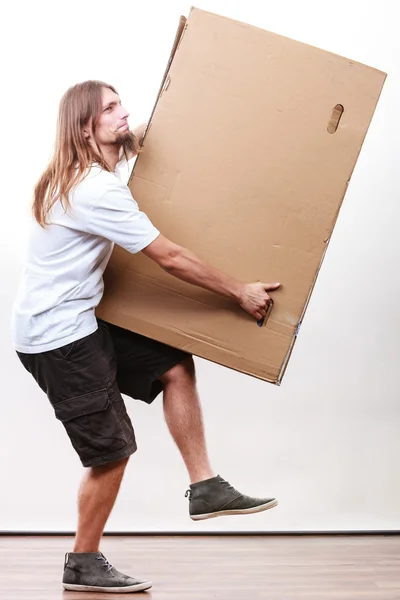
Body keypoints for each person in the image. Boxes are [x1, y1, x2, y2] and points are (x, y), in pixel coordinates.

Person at [11, 80, 281, 594]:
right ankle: (83, 562)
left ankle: (205, 487)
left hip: (77, 320)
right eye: (110, 108)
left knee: (174, 364)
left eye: (122, 105)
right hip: (58, 338)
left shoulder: (74, 176)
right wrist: (238, 292)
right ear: (84, 126)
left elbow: (133, 143)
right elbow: (170, 257)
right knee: (112, 452)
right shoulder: (94, 188)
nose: (123, 113)